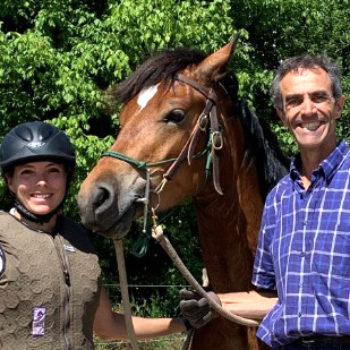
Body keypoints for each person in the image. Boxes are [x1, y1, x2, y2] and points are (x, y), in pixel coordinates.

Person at [180, 54, 350, 349]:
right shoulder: (278, 199)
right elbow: (270, 300)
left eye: (318, 97)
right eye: (294, 101)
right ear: (281, 114)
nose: (307, 110)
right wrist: (214, 301)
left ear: (338, 106)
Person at [0, 121, 185, 349]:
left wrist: (183, 323)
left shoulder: (79, 239)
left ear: (66, 178)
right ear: (10, 180)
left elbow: (108, 327)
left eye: (53, 171)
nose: (42, 182)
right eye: (27, 172)